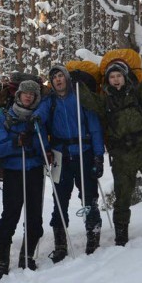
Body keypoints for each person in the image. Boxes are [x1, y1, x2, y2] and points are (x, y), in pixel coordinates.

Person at [78, 47, 142, 246]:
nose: (116, 79)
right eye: (112, 76)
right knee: (122, 196)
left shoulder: (137, 95)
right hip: (121, 155)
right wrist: (76, 81)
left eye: (119, 75)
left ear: (124, 76)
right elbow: (86, 100)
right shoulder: (104, 101)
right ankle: (121, 235)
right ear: (108, 80)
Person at [42, 65, 106, 260]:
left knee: (89, 198)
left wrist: (98, 155)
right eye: (55, 78)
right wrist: (45, 146)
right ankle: (60, 244)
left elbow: (94, 128)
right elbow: (39, 121)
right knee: (59, 201)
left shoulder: (79, 97)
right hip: (61, 157)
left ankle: (92, 236)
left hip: (84, 154)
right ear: (51, 83)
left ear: (67, 78)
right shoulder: (49, 102)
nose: (58, 80)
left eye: (61, 76)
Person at [0, 80, 50, 279]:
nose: (28, 97)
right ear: (19, 95)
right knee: (10, 214)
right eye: (25, 93)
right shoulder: (6, 118)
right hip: (13, 172)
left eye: (32, 95)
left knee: (34, 216)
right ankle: (1, 261)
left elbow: (42, 146)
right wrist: (16, 143)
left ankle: (27, 257)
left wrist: (43, 152)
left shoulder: (37, 119)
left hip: (34, 171)